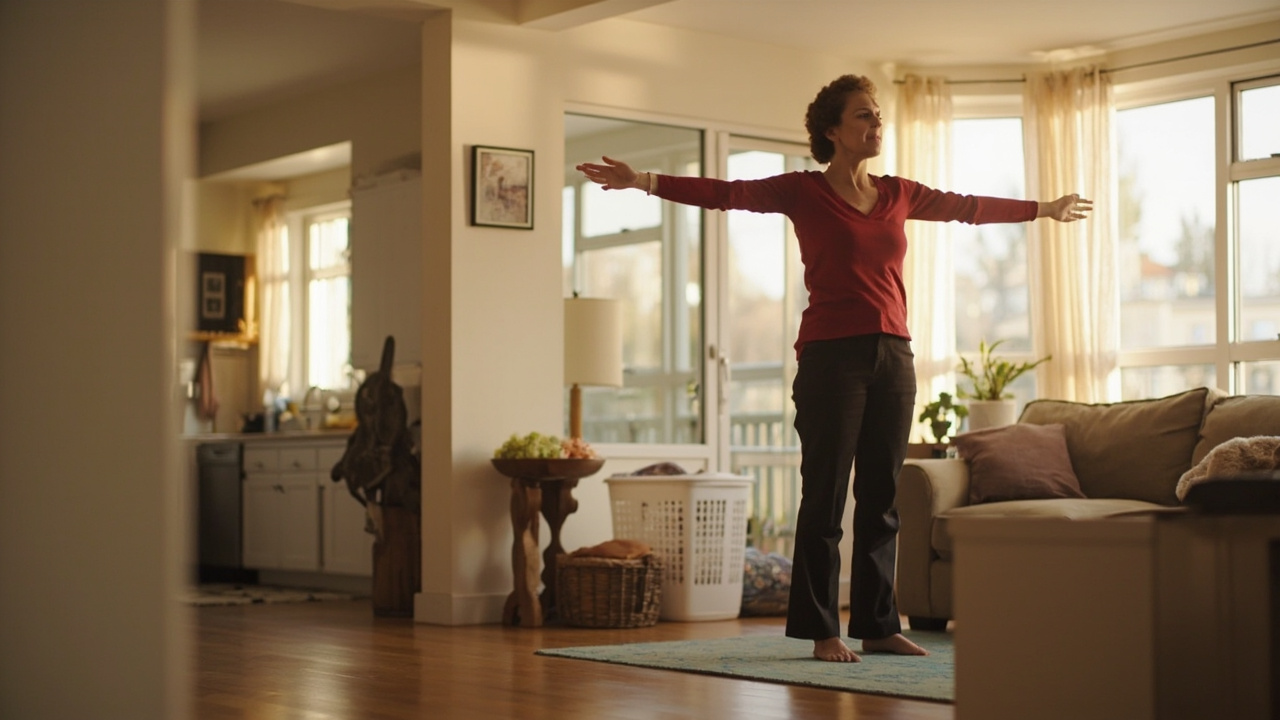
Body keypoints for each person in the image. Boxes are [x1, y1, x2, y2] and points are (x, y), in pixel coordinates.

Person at [576, 74, 1092, 663]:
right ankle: (823, 629)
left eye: (878, 117)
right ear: (832, 130)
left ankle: (877, 623)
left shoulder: (899, 193)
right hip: (831, 357)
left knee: (882, 496)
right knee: (824, 498)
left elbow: (966, 208)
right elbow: (727, 192)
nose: (876, 126)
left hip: (894, 354)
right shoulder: (803, 192)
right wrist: (643, 180)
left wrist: (1043, 209)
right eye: (864, 117)